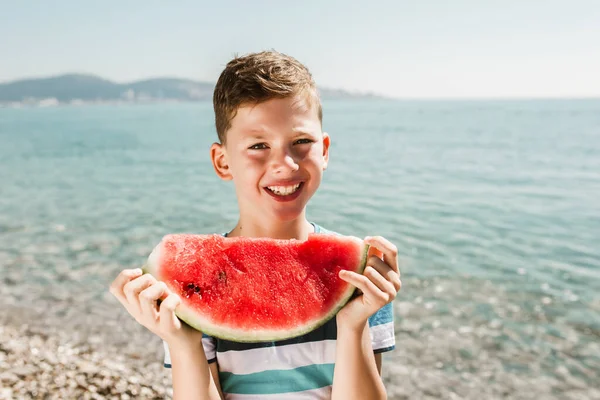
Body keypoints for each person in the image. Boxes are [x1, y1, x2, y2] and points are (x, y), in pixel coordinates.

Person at [110, 50, 402, 400]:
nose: (284, 164)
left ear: (324, 150)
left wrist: (353, 326)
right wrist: (182, 341)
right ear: (222, 161)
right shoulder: (194, 289)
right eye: (259, 145)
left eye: (301, 142)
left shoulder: (361, 277)